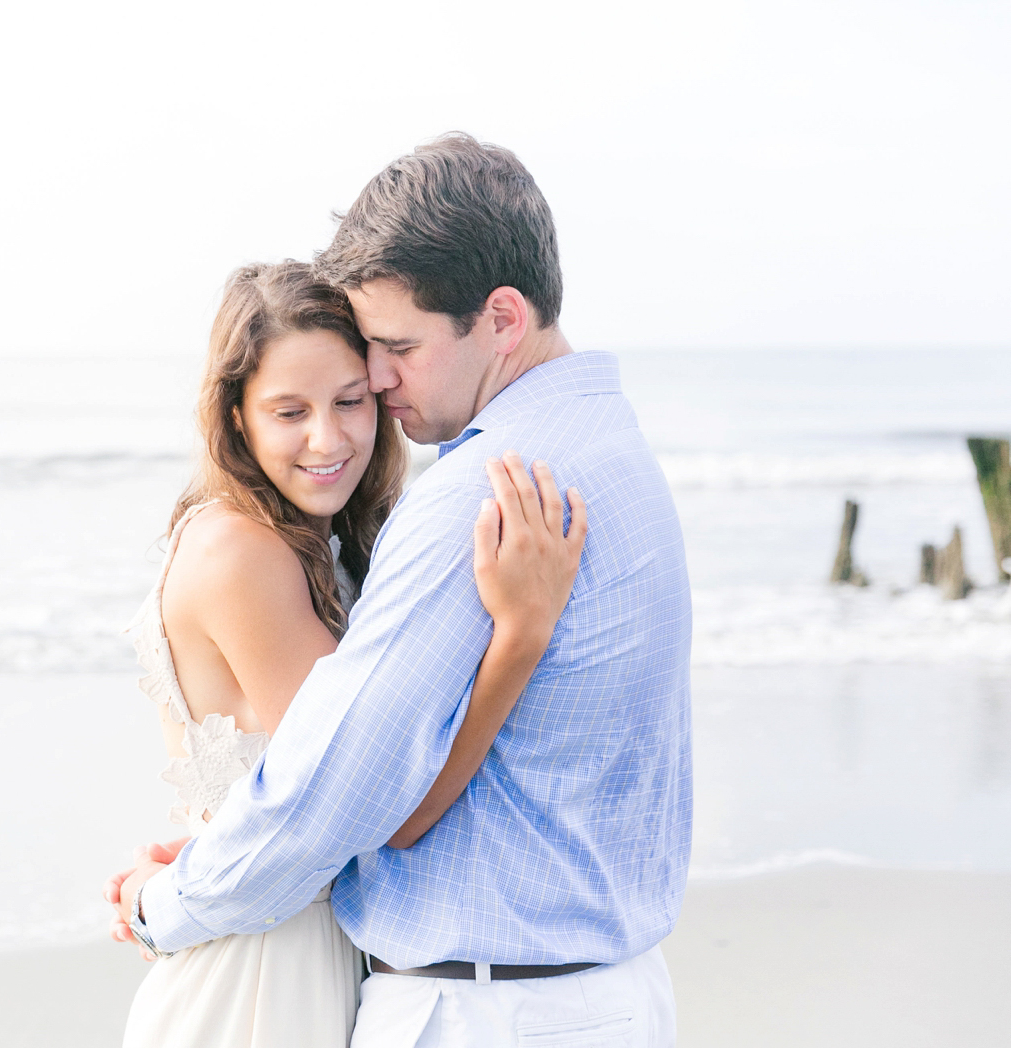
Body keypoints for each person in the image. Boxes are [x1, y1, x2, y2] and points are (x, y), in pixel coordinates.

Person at [109, 135, 692, 1047]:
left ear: (501, 317)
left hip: (491, 1010)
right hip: (604, 995)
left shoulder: (480, 490)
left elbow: (347, 796)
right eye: (294, 408)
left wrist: (162, 906)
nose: (378, 386)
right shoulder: (613, 448)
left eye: (394, 350)